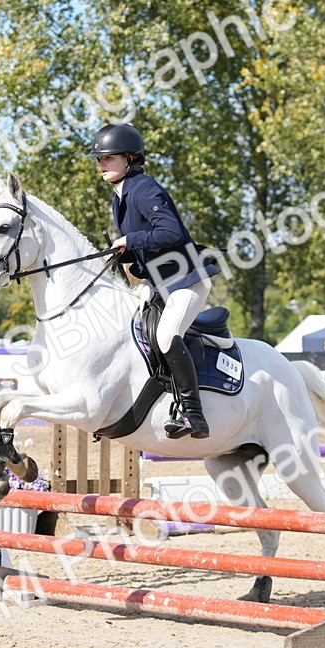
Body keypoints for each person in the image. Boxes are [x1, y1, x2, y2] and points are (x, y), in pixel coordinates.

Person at [87, 123, 221, 439]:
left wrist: (130, 239)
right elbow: (148, 249)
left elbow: (172, 233)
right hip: (160, 283)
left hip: (186, 280)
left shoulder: (144, 188)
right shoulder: (120, 197)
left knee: (166, 336)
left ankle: (194, 416)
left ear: (130, 158)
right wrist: (125, 256)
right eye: (100, 159)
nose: (101, 163)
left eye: (109, 157)